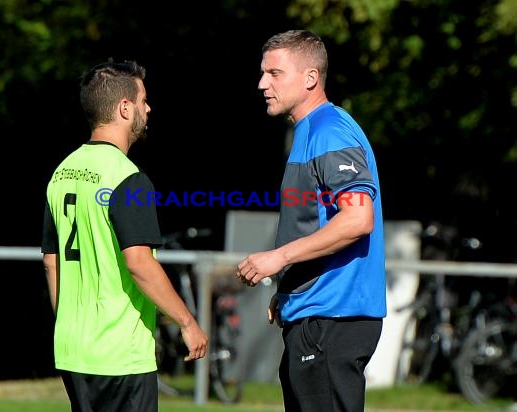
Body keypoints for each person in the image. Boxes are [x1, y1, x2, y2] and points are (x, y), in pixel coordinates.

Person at [41, 59, 208, 412]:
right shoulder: (128, 178)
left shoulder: (62, 172)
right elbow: (139, 264)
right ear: (124, 108)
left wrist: (68, 324)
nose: (148, 107)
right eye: (143, 99)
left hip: (72, 350)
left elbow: (51, 263)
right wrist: (187, 321)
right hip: (119, 355)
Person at [236, 30, 387, 412]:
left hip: (332, 318)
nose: (262, 84)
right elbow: (314, 221)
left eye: (274, 73)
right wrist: (290, 288)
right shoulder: (308, 131)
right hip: (315, 314)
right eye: (262, 73)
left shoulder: (329, 131)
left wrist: (279, 258)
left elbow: (357, 218)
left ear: (310, 78)